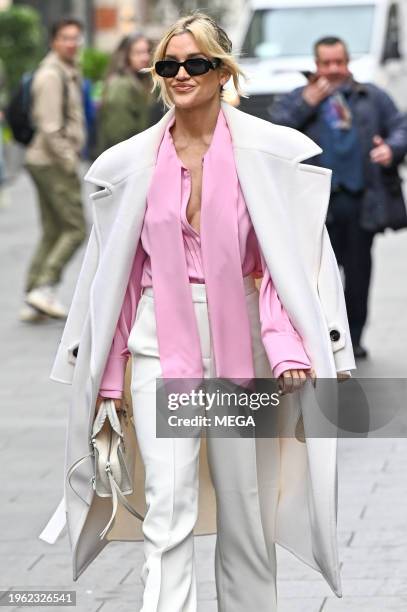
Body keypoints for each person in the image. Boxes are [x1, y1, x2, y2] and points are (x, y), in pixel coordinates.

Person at [40, 13, 355, 612]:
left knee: (246, 514)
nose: (181, 74)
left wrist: (290, 349)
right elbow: (120, 277)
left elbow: (284, 265)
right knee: (169, 504)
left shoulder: (264, 154)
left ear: (222, 71)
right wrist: (110, 381)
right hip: (160, 343)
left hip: (245, 344)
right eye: (169, 66)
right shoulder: (133, 162)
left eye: (196, 64)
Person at [270, 36, 407, 359]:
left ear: (348, 63)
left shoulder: (370, 97)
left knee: (358, 274)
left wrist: (392, 148)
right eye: (326, 63)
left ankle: (354, 337)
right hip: (315, 208)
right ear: (316, 65)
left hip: (361, 203)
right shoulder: (297, 99)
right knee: (315, 277)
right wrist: (307, 102)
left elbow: (401, 126)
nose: (333, 70)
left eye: (339, 62)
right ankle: (321, 336)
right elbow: (275, 132)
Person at [20, 17, 87, 322]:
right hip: (52, 161)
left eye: (76, 38)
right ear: (53, 41)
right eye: (66, 38)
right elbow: (50, 127)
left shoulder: (66, 71)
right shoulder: (51, 75)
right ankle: (44, 287)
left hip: (44, 160)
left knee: (52, 230)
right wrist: (69, 162)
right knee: (76, 228)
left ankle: (34, 294)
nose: (72, 43)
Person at [94, 32, 161, 156]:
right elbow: (118, 135)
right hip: (124, 159)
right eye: (138, 53)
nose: (145, 57)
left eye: (147, 52)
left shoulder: (142, 82)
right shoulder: (121, 86)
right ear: (126, 56)